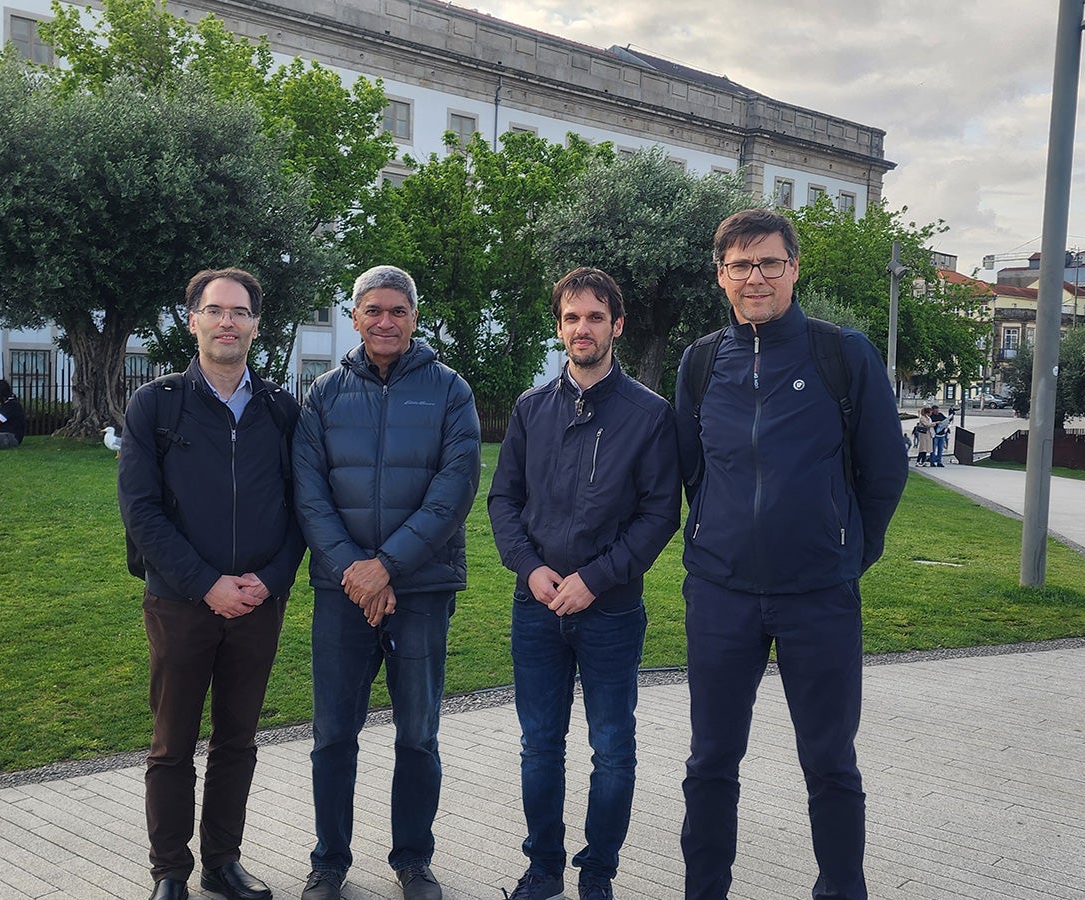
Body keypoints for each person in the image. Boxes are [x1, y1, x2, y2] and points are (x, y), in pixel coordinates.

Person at [675, 209, 908, 900]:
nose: (756, 278)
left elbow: (884, 472)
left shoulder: (842, 354)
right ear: (721, 276)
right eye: (741, 265)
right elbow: (694, 470)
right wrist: (716, 538)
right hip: (720, 595)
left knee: (830, 763)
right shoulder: (700, 362)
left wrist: (844, 553)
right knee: (710, 761)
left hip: (819, 598)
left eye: (770, 263)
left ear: (794, 268)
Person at [488, 267, 681, 900]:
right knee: (539, 745)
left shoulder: (650, 416)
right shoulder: (530, 409)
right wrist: (532, 568)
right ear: (560, 326)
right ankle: (543, 868)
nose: (582, 329)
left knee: (612, 749)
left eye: (595, 317)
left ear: (616, 326)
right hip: (537, 605)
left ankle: (598, 872)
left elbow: (660, 515)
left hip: (611, 611)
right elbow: (503, 501)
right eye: (572, 318)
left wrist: (595, 580)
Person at [292, 265, 481, 900]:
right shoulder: (321, 396)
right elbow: (309, 494)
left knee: (418, 734)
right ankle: (329, 860)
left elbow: (453, 491)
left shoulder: (451, 392)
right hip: (340, 591)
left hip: (421, 592)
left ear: (414, 317)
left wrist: (387, 567)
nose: (385, 321)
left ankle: (413, 860)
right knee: (332, 734)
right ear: (355, 317)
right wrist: (356, 570)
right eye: (373, 310)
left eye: (397, 310)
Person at [118, 267, 305, 900]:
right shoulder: (156, 404)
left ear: (256, 324)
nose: (228, 321)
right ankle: (170, 870)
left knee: (237, 741)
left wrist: (271, 581)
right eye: (215, 310)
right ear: (191, 319)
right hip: (179, 602)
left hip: (257, 603)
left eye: (241, 312)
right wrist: (206, 585)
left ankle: (223, 862)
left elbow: (302, 507)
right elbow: (140, 511)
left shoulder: (282, 410)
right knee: (172, 744)